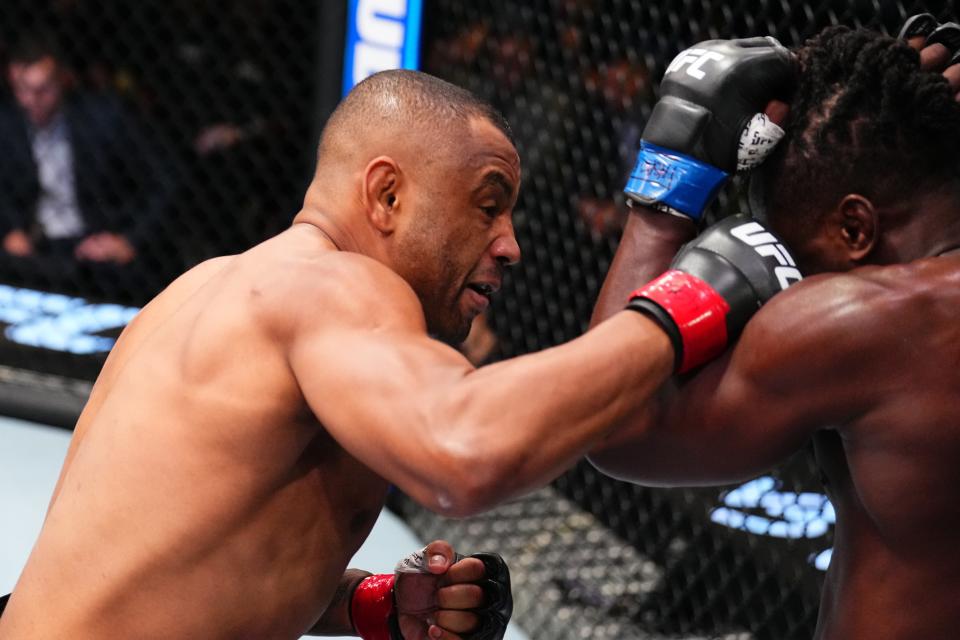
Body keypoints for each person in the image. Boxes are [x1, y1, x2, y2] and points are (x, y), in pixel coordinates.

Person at [0, 66, 797, 638]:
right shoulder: (335, 288)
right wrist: (701, 296)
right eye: (488, 206)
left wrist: (369, 606)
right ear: (386, 196)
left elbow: (179, 570)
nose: (510, 245)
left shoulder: (211, 286)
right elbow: (465, 450)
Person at [587, 18, 960, 639]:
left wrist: (664, 197)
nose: (788, 280)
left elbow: (604, 423)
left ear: (854, 230)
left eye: (793, 249)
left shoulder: (866, 321)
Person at [0, 35, 174, 270]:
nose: (32, 100)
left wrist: (129, 238)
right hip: (34, 245)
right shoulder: (8, 122)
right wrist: (9, 230)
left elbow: (164, 181)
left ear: (64, 79)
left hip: (97, 244)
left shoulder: (105, 119)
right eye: (22, 89)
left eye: (43, 89)